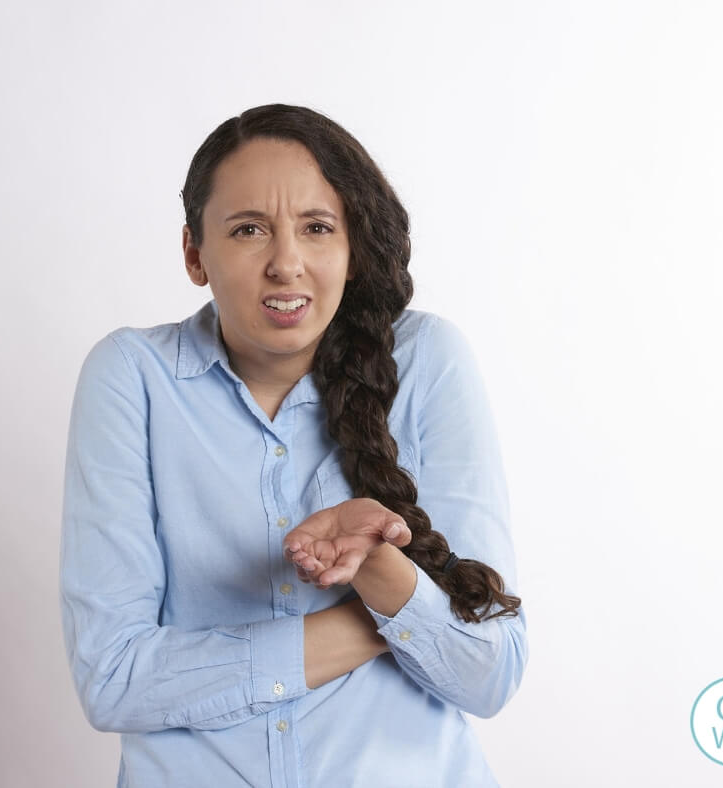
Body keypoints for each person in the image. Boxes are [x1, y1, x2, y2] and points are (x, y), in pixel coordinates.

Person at [59, 103, 528, 788]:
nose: (287, 263)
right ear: (194, 253)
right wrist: (387, 621)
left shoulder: (429, 361)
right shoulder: (133, 377)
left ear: (351, 245)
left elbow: (490, 673)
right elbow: (114, 679)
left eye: (317, 228)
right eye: (249, 230)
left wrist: (378, 569)